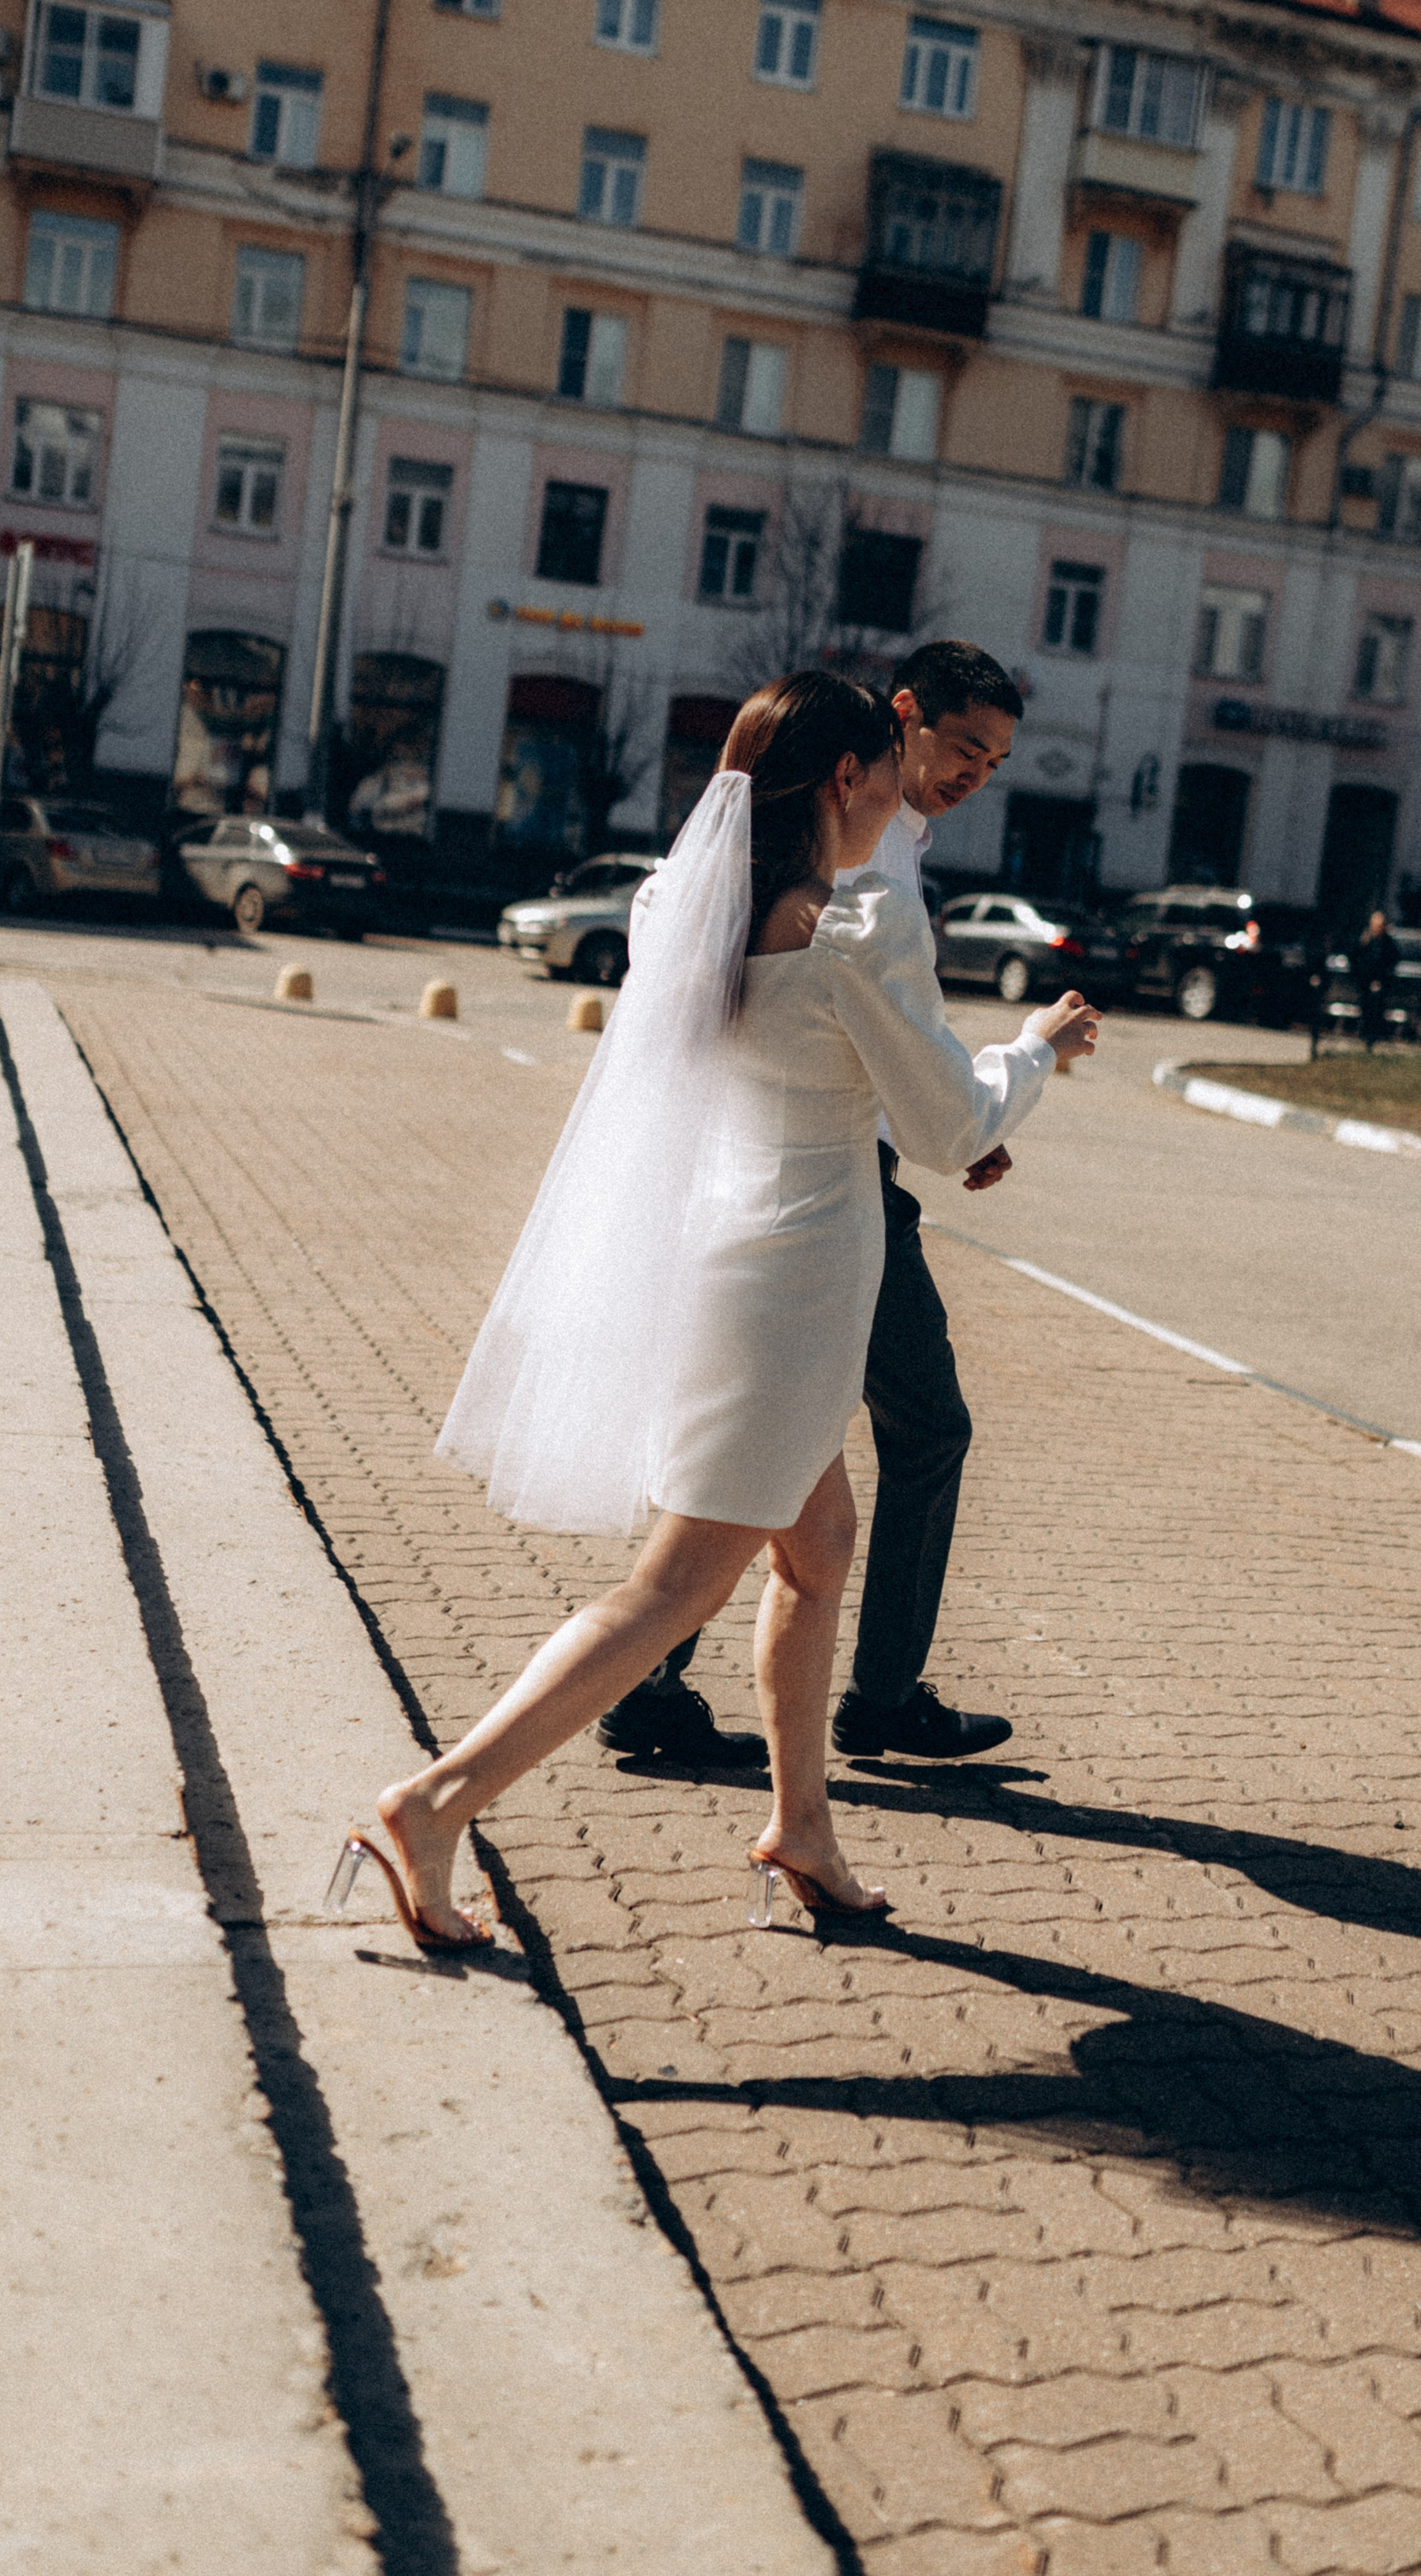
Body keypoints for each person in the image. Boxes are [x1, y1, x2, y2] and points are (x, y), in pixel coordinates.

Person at [332, 672, 1097, 1949]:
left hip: (724, 1256)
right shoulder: (848, 932)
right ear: (847, 777)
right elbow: (948, 1127)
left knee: (819, 1547)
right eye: (890, 772)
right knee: (673, 1587)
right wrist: (1034, 1049)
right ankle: (435, 1802)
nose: (902, 797)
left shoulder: (689, 906)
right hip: (796, 1286)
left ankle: (804, 1828)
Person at [601, 638, 1032, 1769]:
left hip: (783, 1181)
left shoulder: (844, 847)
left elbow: (862, 1039)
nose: (973, 774)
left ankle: (790, 1800)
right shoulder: (856, 867)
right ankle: (853, 1700)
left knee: (796, 1506)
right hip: (827, 1199)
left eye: (995, 762)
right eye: (963, 747)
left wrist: (949, 1116)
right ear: (897, 722)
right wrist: (1013, 1073)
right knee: (902, 1435)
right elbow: (870, 1030)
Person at [1352, 907, 1400, 1050]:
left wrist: (1384, 977)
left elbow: (1393, 959)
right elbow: (1355, 956)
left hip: (1381, 981)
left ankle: (1375, 1036)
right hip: (1365, 980)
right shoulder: (1365, 939)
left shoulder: (1388, 943)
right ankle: (1365, 1034)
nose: (1377, 929)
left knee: (1379, 1009)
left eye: (1380, 926)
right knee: (1365, 1007)